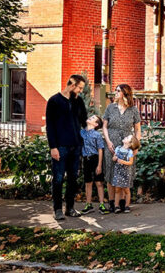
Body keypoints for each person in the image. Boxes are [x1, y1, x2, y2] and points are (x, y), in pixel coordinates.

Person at [45, 74, 88, 221]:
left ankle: (70, 208)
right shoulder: (54, 101)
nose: (81, 91)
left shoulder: (78, 101)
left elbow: (84, 120)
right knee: (58, 178)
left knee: (73, 178)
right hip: (60, 146)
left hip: (76, 146)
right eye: (79, 88)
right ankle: (57, 209)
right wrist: (53, 147)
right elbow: (50, 126)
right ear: (72, 85)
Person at [102, 84, 141, 213]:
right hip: (112, 145)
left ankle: (123, 203)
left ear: (125, 93)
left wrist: (136, 146)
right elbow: (105, 127)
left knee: (125, 172)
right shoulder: (110, 108)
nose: (115, 93)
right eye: (116, 90)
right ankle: (112, 203)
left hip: (127, 145)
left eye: (118, 91)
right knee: (110, 172)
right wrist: (108, 142)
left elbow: (137, 130)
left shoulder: (133, 110)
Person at [80, 115, 109, 215]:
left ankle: (102, 204)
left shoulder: (97, 135)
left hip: (95, 159)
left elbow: (100, 149)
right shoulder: (82, 132)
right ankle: (89, 204)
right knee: (88, 182)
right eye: (90, 117)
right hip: (86, 160)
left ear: (96, 124)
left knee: (99, 182)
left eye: (93, 118)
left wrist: (99, 165)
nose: (90, 118)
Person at [111, 133, 140, 213]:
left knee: (126, 189)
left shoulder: (129, 152)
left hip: (126, 173)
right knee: (117, 189)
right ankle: (116, 206)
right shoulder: (118, 148)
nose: (125, 137)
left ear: (130, 143)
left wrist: (122, 161)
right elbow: (114, 157)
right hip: (118, 172)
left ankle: (127, 206)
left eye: (127, 138)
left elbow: (130, 162)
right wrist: (114, 158)